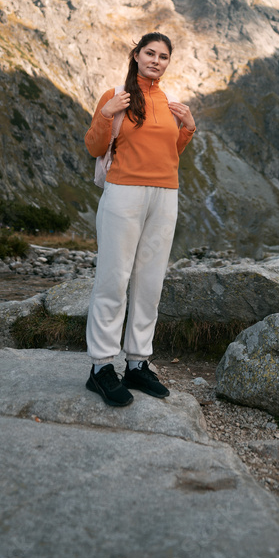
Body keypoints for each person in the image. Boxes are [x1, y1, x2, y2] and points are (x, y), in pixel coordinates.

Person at [83, 32, 196, 406]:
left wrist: (188, 128)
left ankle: (137, 362)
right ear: (136, 55)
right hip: (124, 194)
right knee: (113, 280)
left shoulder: (169, 101)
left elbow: (169, 153)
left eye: (164, 56)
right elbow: (94, 147)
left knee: (149, 282)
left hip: (165, 196)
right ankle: (101, 368)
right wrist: (106, 113)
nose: (157, 60)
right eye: (150, 53)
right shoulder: (116, 96)